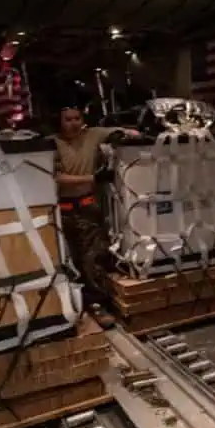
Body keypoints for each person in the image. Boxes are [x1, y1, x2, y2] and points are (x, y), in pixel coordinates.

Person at [52, 105, 136, 320]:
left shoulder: (92, 135)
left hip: (88, 207)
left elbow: (120, 131)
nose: (73, 123)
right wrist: (92, 178)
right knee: (71, 259)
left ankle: (97, 303)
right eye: (67, 119)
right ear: (59, 121)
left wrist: (130, 134)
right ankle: (75, 304)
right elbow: (56, 177)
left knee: (93, 257)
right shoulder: (53, 144)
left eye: (77, 118)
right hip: (63, 210)